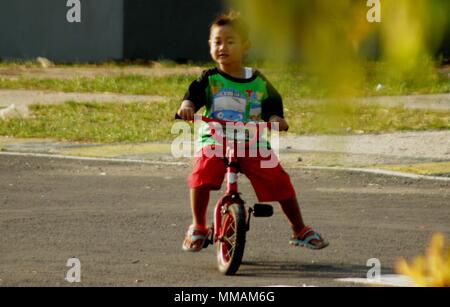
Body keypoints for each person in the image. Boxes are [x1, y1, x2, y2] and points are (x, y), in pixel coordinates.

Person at [176, 12, 329, 252]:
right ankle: (198, 226)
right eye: (217, 42)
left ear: (245, 45)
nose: (222, 47)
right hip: (216, 140)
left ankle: (299, 228)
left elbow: (272, 104)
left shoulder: (257, 80)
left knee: (279, 180)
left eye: (230, 41)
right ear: (210, 45)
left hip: (252, 142)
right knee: (201, 173)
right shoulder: (209, 78)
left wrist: (277, 119)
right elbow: (192, 96)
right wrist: (187, 107)